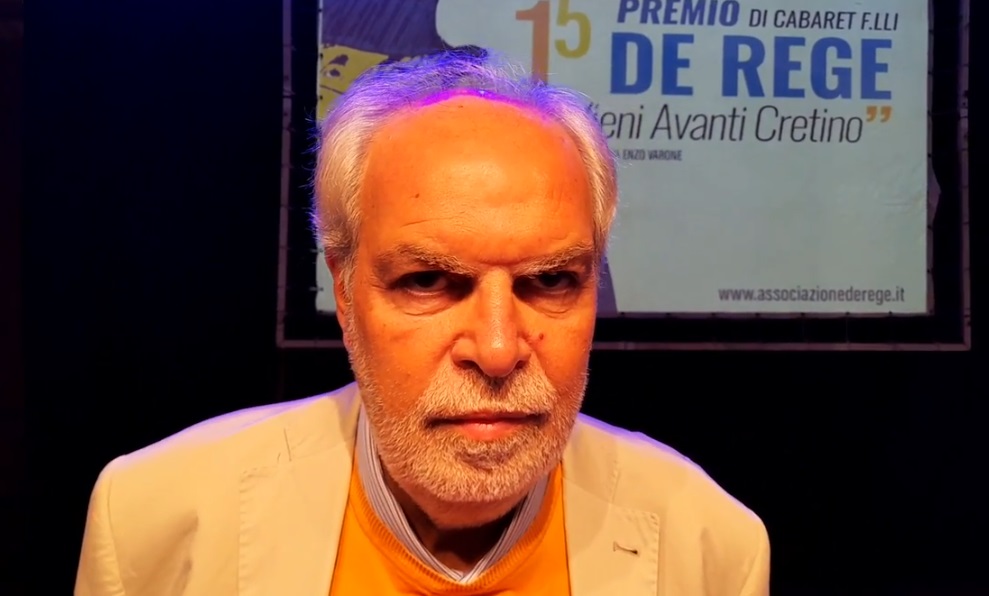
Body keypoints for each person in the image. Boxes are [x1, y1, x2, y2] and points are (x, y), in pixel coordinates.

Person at [75, 49, 770, 596]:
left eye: (551, 281)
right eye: (429, 281)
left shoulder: (709, 546)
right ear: (344, 291)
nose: (496, 350)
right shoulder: (156, 522)